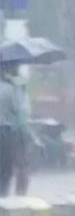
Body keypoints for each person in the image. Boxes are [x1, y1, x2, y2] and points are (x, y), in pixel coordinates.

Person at [0, 61, 30, 197]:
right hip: (8, 130)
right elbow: (17, 109)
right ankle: (4, 194)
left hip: (9, 129)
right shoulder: (9, 88)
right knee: (7, 165)